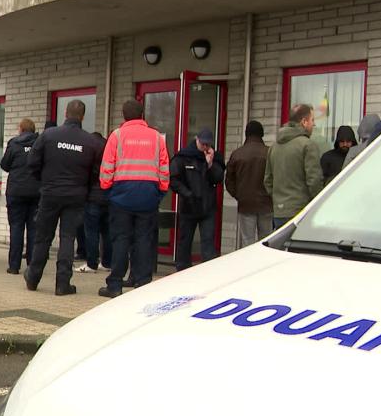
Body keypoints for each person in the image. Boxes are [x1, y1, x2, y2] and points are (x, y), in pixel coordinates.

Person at [23, 100, 103, 295]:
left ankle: (33, 278)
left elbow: (32, 162)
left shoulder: (48, 136)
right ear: (82, 116)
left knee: (43, 237)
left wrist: (44, 180)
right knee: (68, 238)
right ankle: (62, 284)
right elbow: (96, 173)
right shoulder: (91, 142)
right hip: (76, 196)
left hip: (50, 193)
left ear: (65, 113)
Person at [97, 100, 170, 298]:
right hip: (148, 196)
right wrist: (160, 192)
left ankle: (115, 285)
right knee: (144, 240)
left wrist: (108, 190)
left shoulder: (117, 136)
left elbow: (106, 168)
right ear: (142, 115)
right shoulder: (156, 137)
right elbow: (164, 168)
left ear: (124, 115)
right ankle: (143, 282)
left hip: (121, 196)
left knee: (121, 239)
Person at [169, 128, 225, 271]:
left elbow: (218, 178)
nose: (205, 147)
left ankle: (207, 272)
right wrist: (187, 194)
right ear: (196, 140)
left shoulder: (214, 157)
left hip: (207, 207)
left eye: (208, 145)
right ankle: (182, 270)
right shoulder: (184, 156)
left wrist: (210, 164)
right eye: (203, 144)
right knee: (185, 241)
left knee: (208, 242)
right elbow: (173, 180)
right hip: (189, 206)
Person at [263, 104, 324, 230]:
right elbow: (314, 181)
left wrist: (278, 198)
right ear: (304, 122)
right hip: (300, 212)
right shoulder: (308, 145)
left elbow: (267, 181)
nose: (314, 125)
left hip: (279, 213)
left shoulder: (273, 147)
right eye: (312, 120)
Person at [0, 118, 40, 275]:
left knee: (16, 227)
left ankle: (14, 266)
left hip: (16, 192)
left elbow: (4, 165)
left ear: (21, 129)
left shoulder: (14, 144)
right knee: (33, 229)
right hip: (36, 192)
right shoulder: (40, 143)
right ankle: (31, 265)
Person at [225, 120, 273, 247]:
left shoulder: (237, 154)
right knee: (266, 240)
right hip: (266, 203)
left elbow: (229, 181)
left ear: (246, 134)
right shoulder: (270, 153)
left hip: (246, 203)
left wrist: (239, 195)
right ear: (262, 134)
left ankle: (250, 265)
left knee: (248, 241)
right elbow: (276, 177)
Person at [78, 131, 112, 273]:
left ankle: (91, 263)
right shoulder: (109, 148)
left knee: (91, 231)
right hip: (109, 196)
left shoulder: (88, 151)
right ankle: (107, 263)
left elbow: (85, 175)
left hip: (92, 197)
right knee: (107, 232)